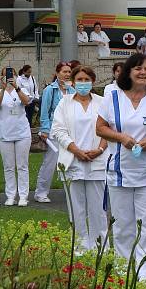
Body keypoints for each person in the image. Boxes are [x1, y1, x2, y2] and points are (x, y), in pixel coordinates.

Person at [96, 53, 146, 281]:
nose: (143, 72)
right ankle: (123, 270)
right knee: (123, 224)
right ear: (128, 71)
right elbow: (100, 128)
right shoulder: (112, 97)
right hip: (119, 172)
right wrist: (121, 137)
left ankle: (145, 274)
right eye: (138, 68)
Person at [52, 65, 109, 253]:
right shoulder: (65, 102)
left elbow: (110, 128)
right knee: (76, 208)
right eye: (79, 80)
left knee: (98, 209)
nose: (83, 83)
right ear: (73, 82)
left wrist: (99, 150)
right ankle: (79, 247)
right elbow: (58, 130)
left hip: (97, 160)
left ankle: (100, 246)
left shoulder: (103, 102)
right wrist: (76, 150)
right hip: (72, 161)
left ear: (93, 81)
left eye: (87, 80)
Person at [0, 67, 32, 206]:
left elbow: (26, 102)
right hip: (4, 134)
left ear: (15, 77)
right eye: (4, 75)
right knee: (8, 166)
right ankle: (10, 195)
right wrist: (3, 89)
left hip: (22, 133)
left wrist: (17, 88)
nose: (8, 78)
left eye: (11, 75)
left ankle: (23, 196)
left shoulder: (22, 89)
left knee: (22, 165)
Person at [35, 62, 74, 203]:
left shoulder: (72, 90)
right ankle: (41, 192)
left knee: (70, 161)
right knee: (50, 162)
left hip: (69, 131)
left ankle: (70, 191)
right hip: (53, 130)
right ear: (57, 73)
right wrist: (44, 129)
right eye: (64, 71)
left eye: (69, 71)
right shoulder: (50, 90)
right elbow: (44, 111)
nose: (67, 74)